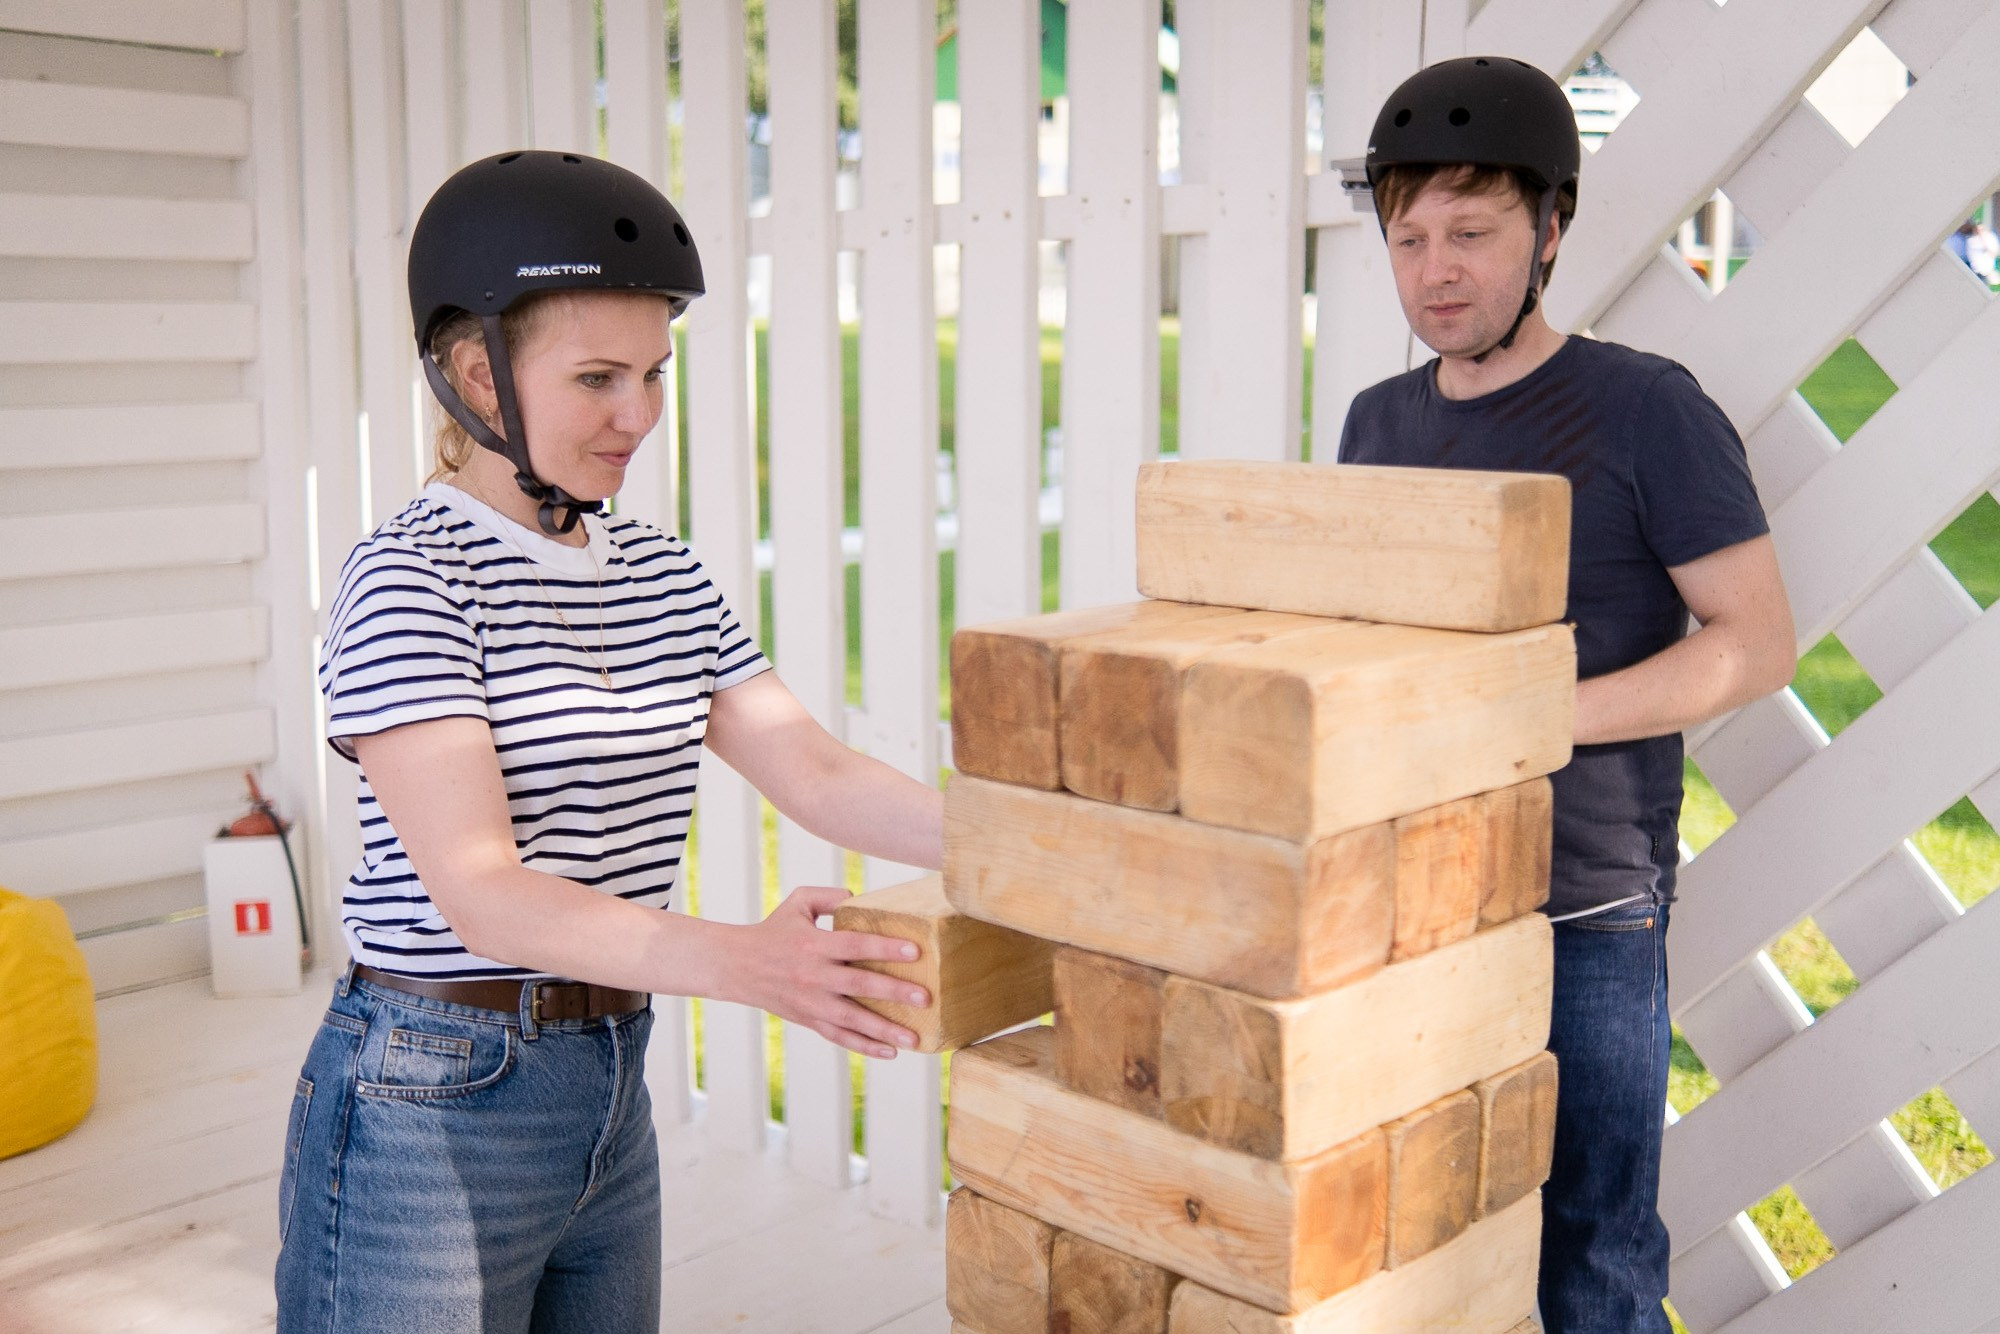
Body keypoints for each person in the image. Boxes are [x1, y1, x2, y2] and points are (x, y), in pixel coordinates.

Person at [274, 150, 944, 1332]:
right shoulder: (408, 579)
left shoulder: (659, 572)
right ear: (475, 371)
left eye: (652, 373)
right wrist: (750, 962)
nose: (637, 414)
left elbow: (817, 771)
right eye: (596, 376)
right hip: (428, 1098)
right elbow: (484, 893)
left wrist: (1042, 840)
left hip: (605, 1084)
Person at [1338, 58, 1797, 1332]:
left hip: (1583, 908)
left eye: (1471, 233)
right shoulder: (1374, 423)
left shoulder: (1643, 407)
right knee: (1420, 1235)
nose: (1435, 268)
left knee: (1589, 1251)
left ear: (1547, 230)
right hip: (1411, 897)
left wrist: (1532, 717)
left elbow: (1752, 644)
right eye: (1409, 236)